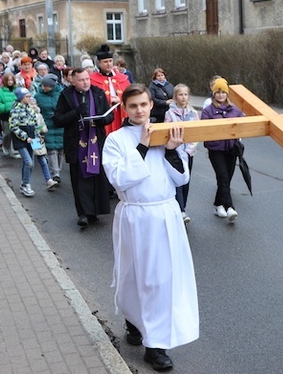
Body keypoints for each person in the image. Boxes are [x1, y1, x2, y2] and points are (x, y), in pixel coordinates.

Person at [102, 84, 199, 371]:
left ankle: (155, 346)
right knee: (135, 276)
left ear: (150, 105)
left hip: (165, 214)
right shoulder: (117, 141)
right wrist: (142, 146)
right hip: (136, 217)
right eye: (133, 106)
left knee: (161, 280)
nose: (140, 110)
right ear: (124, 108)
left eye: (144, 105)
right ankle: (134, 320)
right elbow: (118, 179)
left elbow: (181, 179)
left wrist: (171, 150)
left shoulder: (165, 133)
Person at [52, 67, 115, 228]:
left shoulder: (98, 93)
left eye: (87, 79)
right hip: (76, 143)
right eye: (81, 80)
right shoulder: (65, 96)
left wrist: (102, 119)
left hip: (96, 141)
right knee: (80, 180)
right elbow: (58, 120)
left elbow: (110, 114)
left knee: (97, 178)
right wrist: (76, 112)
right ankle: (83, 214)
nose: (86, 82)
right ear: (73, 81)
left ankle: (95, 211)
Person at [201, 77, 245, 222]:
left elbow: (243, 125)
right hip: (216, 150)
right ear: (213, 94)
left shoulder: (235, 110)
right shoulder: (208, 111)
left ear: (227, 94)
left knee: (226, 179)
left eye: (223, 92)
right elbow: (204, 129)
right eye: (218, 92)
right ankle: (229, 207)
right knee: (223, 177)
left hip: (231, 149)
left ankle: (218, 204)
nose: (220, 95)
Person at [9, 87, 58, 197]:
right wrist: (26, 137)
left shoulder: (30, 108)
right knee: (29, 162)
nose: (29, 98)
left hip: (33, 138)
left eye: (29, 96)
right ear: (21, 98)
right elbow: (13, 126)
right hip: (22, 140)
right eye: (27, 96)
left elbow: (34, 124)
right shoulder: (16, 109)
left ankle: (47, 180)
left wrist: (37, 136)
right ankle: (26, 184)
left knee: (41, 157)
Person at [164, 83, 199, 224]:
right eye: (180, 95)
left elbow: (197, 132)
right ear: (175, 97)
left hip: (189, 152)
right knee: (177, 180)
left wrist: (190, 149)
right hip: (176, 152)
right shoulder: (170, 113)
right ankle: (181, 209)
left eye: (185, 95)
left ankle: (183, 205)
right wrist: (175, 148)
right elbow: (167, 131)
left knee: (186, 179)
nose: (183, 97)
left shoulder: (193, 113)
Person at [90, 44, 130, 135]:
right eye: (105, 61)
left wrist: (120, 99)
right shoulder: (92, 80)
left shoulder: (123, 78)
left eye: (110, 61)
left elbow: (130, 95)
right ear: (99, 63)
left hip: (120, 114)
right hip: (104, 116)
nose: (108, 64)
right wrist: (108, 100)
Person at [35, 75, 65, 184]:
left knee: (61, 150)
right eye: (42, 85)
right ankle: (55, 173)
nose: (43, 87)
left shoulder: (62, 94)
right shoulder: (38, 96)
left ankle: (58, 170)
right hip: (47, 125)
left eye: (46, 86)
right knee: (52, 150)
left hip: (60, 124)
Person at [0, 72, 20, 158]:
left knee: (15, 133)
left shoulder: (17, 89)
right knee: (7, 133)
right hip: (5, 116)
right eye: (8, 80)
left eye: (11, 80)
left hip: (17, 115)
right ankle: (5, 146)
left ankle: (14, 150)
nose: (10, 82)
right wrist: (7, 107)